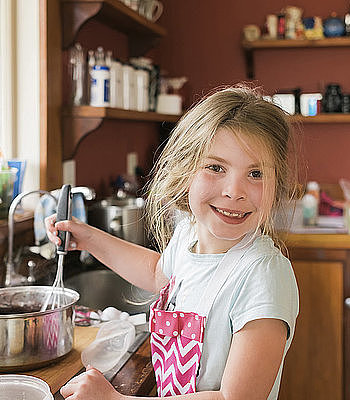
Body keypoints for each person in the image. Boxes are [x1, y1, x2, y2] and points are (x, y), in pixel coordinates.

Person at [45, 85, 300, 400]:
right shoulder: (189, 234)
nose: (235, 191)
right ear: (185, 171)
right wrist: (89, 238)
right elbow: (157, 273)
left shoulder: (264, 275)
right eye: (215, 167)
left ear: (279, 184)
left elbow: (235, 398)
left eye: (256, 173)